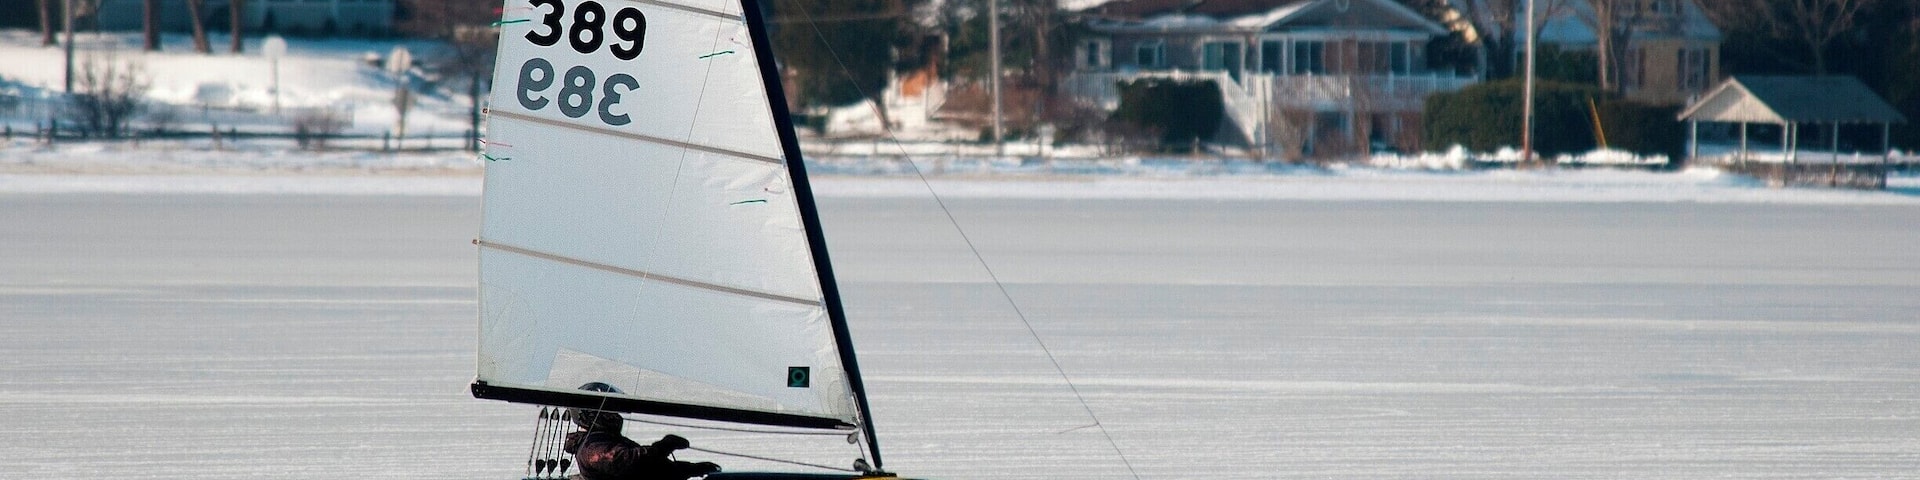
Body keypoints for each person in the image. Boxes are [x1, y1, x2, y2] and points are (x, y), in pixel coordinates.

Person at [564, 383, 722, 480]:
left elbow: (651, 470)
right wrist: (662, 447)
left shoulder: (604, 440)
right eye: (609, 410)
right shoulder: (592, 447)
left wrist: (691, 469)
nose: (615, 416)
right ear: (591, 414)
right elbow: (628, 461)